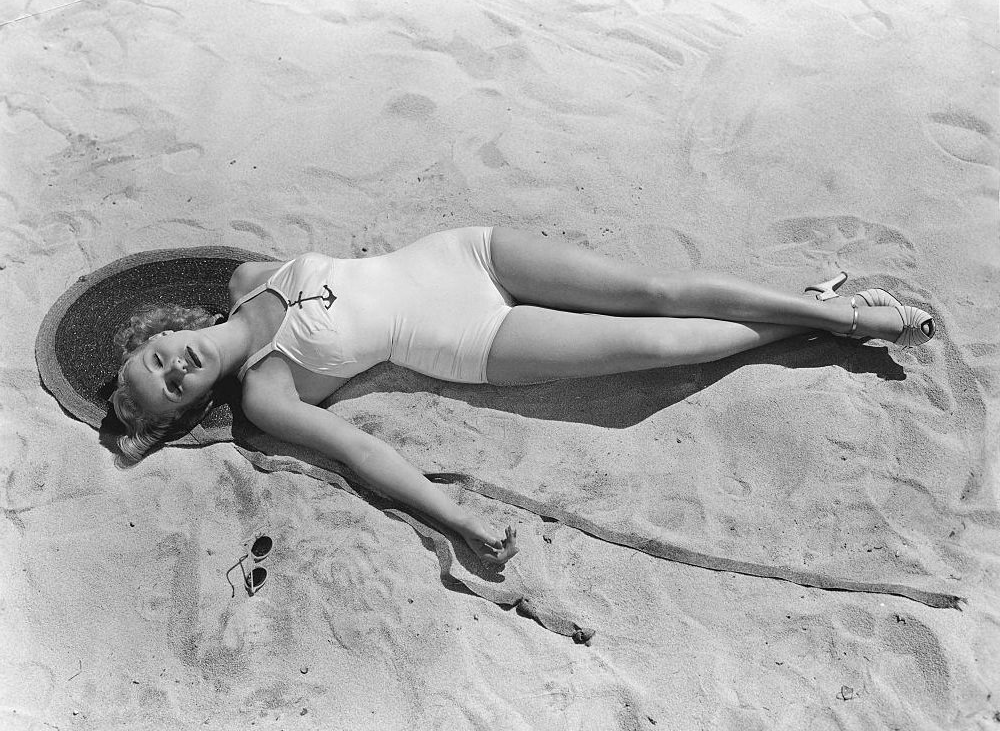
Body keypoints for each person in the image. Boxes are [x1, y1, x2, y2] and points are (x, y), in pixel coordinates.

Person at [110, 226, 934, 566]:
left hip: (465, 253)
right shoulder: (268, 393)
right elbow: (363, 453)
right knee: (653, 346)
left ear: (157, 332)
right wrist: (451, 514)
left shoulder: (248, 275)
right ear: (188, 407)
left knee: (654, 288)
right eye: (170, 385)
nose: (175, 363)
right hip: (466, 341)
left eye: (155, 355)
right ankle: (824, 324)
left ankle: (832, 315)